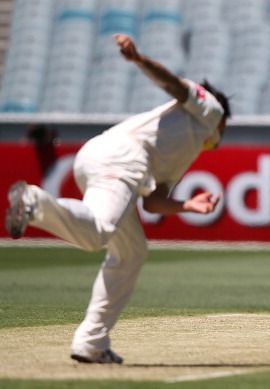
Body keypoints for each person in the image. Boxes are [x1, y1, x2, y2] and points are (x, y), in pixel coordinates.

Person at [4, 34, 231, 363]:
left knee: (132, 252)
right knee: (98, 232)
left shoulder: (185, 151)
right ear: (221, 122)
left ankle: (91, 343)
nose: (218, 142)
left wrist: (187, 206)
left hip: (103, 159)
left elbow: (153, 201)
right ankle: (35, 203)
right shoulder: (212, 109)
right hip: (122, 160)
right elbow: (174, 86)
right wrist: (139, 60)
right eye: (222, 135)